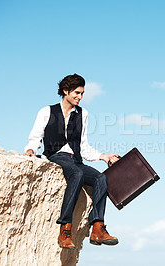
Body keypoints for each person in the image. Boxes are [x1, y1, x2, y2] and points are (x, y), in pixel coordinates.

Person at [23, 73, 119, 249]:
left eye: (82, 93)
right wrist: (30, 150)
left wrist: (103, 156)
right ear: (65, 91)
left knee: (101, 178)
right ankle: (65, 227)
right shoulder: (47, 111)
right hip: (56, 156)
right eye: (77, 93)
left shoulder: (83, 114)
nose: (80, 97)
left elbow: (83, 146)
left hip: (76, 158)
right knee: (77, 173)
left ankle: (98, 228)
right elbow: (36, 136)